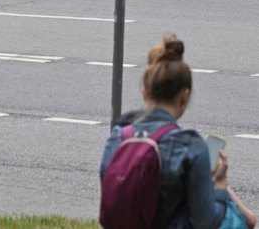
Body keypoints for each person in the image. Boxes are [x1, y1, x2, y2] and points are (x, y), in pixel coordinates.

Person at [100, 34, 255, 228]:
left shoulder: (118, 137)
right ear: (185, 96)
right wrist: (221, 187)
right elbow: (205, 220)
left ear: (145, 92)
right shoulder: (190, 145)